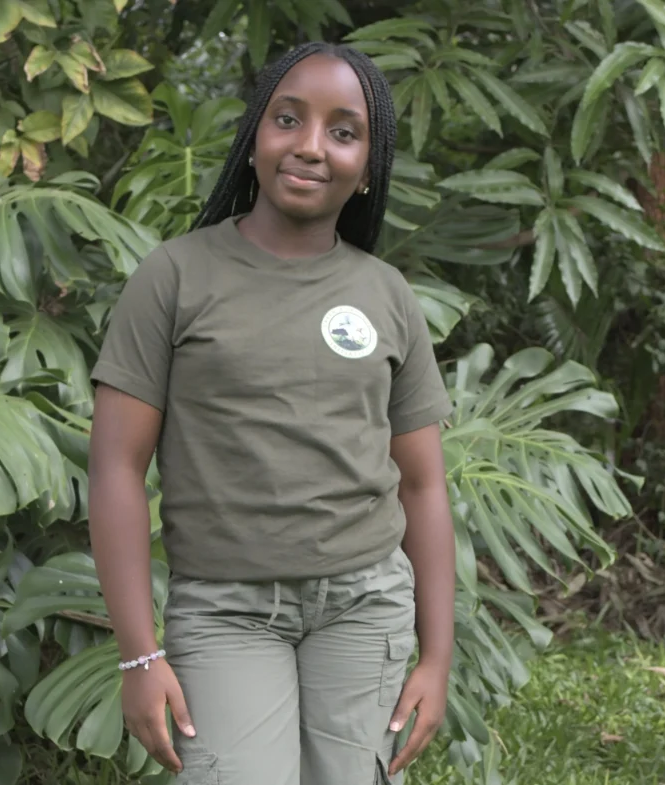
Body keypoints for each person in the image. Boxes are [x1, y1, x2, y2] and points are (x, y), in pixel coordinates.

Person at [88, 41, 456, 785]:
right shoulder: (174, 277)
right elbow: (116, 468)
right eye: (288, 119)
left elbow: (422, 484)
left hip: (365, 605)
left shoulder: (386, 294)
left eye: (343, 132)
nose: (311, 146)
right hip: (225, 611)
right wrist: (138, 654)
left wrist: (437, 658)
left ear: (368, 167)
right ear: (254, 134)